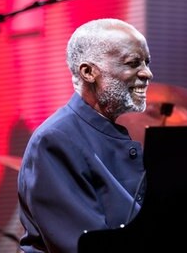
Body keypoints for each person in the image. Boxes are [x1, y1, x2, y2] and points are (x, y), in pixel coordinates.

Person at [17, 18, 153, 253]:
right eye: (133, 63)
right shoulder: (54, 141)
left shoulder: (99, 131)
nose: (147, 73)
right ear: (89, 72)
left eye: (146, 63)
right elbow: (83, 245)